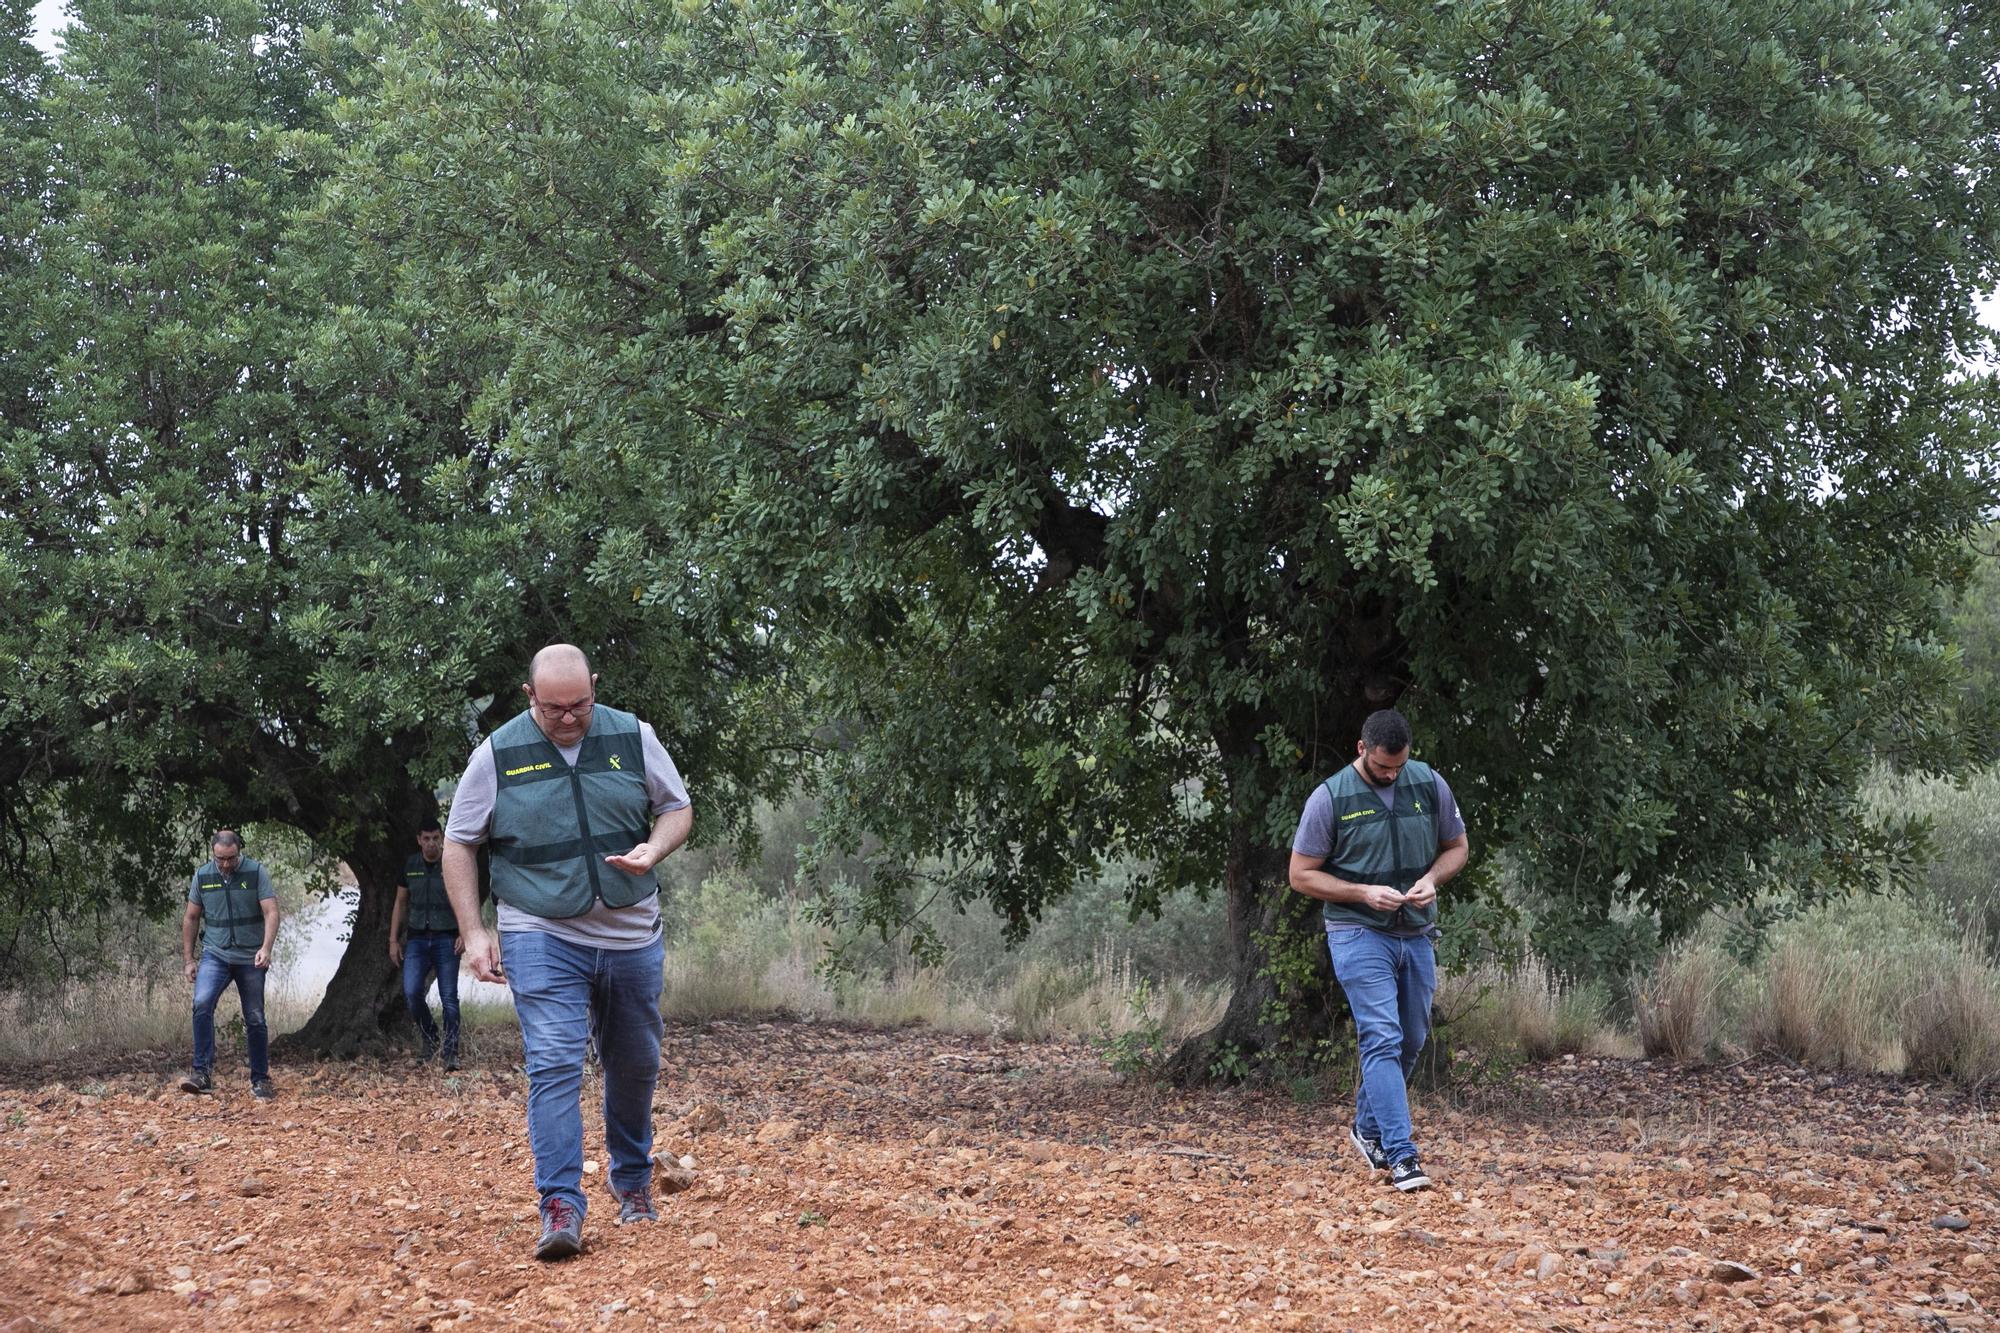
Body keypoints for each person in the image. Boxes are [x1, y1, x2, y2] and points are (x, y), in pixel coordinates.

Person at [442, 644, 691, 1260]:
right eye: (554, 708)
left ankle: (631, 1180)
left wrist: (652, 851)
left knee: (633, 1062)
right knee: (553, 1062)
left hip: (631, 931)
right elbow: (459, 843)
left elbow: (677, 809)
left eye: (581, 704)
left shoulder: (634, 735)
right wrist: (475, 933)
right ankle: (560, 1205)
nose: (570, 718)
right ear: (530, 697)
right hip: (540, 930)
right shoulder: (496, 752)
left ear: (594, 688)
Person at [1288, 708, 1468, 1192]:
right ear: (1361, 750)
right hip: (1357, 931)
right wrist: (1362, 892)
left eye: (1398, 767)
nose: (1391, 775)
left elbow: (1457, 847)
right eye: (1382, 768)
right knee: (1382, 1037)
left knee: (1411, 1039)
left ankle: (1367, 1129)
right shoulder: (1329, 798)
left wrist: (1431, 879)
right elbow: (1301, 874)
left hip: (1416, 930)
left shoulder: (1429, 783)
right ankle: (1401, 1154)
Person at [179, 829, 281, 1100]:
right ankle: (201, 1073)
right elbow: (191, 918)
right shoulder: (202, 876)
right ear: (213, 854)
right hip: (216, 954)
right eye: (220, 859)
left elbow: (271, 912)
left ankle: (260, 1079)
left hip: (250, 955)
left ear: (239, 852)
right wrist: (189, 959)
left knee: (255, 1016)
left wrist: (266, 948)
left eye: (230, 859)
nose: (225, 864)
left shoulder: (256, 872)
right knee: (202, 1003)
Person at [390, 815, 462, 1069]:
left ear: (442, 838)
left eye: (436, 838)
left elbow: (465, 899)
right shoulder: (410, 865)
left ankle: (451, 1052)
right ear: (419, 840)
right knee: (411, 992)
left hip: (447, 938)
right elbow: (400, 902)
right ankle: (430, 1037)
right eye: (427, 839)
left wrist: (465, 933)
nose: (432, 843)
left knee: (449, 997)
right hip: (417, 939)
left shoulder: (452, 864)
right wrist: (393, 940)